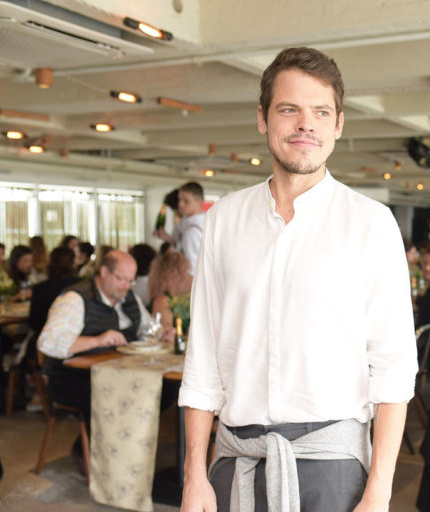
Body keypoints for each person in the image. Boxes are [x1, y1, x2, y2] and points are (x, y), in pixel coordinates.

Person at [179, 47, 417, 512]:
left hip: (333, 466)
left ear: (338, 125)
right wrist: (194, 475)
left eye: (321, 112)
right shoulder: (225, 218)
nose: (306, 124)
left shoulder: (370, 223)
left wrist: (379, 492)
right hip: (236, 458)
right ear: (263, 119)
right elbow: (202, 357)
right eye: (289, 109)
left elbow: (393, 371)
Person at [37, 250, 171, 416]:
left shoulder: (130, 297)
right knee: (131, 392)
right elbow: (48, 342)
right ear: (104, 272)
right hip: (74, 378)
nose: (126, 286)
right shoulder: (75, 299)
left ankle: (131, 431)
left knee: (167, 387)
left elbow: (148, 329)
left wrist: (162, 334)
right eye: (122, 279)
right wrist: (97, 340)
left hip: (120, 371)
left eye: (131, 281)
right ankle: (114, 432)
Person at [28, 247, 82, 338]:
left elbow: (34, 323)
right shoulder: (82, 285)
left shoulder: (40, 288)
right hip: (77, 336)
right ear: (73, 263)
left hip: (46, 336)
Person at [154, 182, 205, 276]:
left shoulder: (195, 231)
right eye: (180, 200)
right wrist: (168, 238)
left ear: (199, 201)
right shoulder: (184, 222)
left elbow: (193, 268)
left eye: (186, 201)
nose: (180, 204)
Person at [147, 251, 192, 334]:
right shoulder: (162, 301)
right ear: (176, 276)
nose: (190, 276)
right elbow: (166, 333)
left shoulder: (178, 298)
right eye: (186, 272)